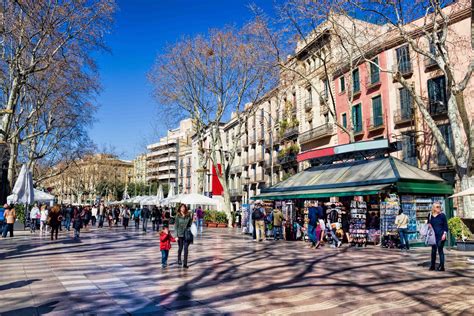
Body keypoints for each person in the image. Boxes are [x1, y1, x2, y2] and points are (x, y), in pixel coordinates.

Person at [428, 202, 449, 271]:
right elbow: (428, 224)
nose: (439, 208)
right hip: (433, 236)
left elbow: (446, 226)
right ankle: (432, 266)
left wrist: (444, 234)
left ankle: (442, 266)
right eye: (437, 207)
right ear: (433, 208)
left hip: (441, 235)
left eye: (439, 207)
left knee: (440, 250)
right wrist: (429, 225)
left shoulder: (442, 215)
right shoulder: (430, 215)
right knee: (433, 251)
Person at [175, 204, 192, 269]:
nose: (183, 208)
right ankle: (179, 258)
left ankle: (185, 264)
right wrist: (176, 236)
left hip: (186, 234)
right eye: (182, 207)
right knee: (180, 248)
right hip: (180, 234)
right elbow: (176, 226)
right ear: (180, 208)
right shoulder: (177, 216)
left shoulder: (188, 215)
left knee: (186, 249)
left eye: (184, 207)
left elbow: (190, 224)